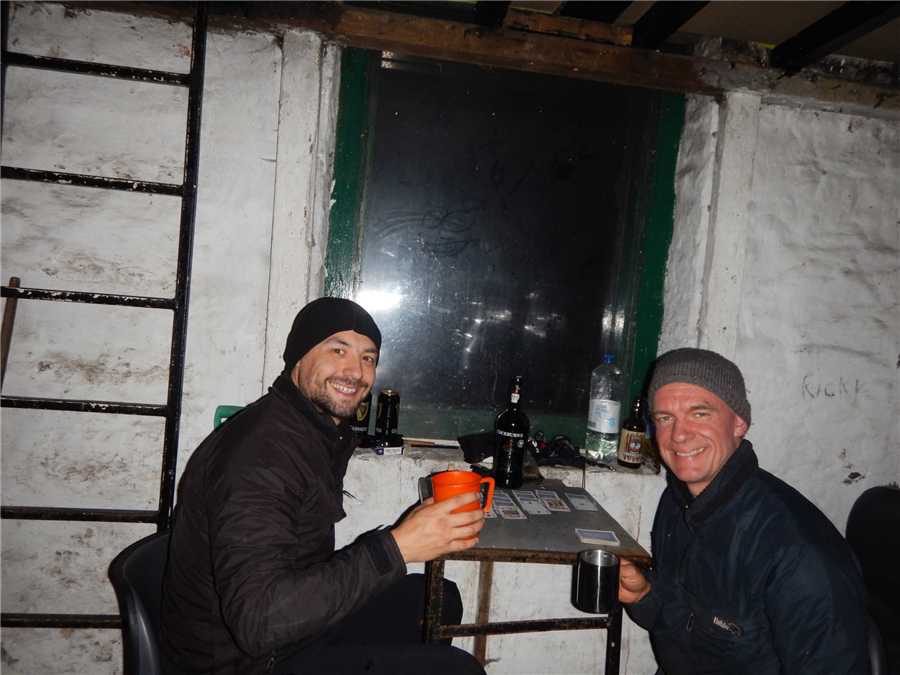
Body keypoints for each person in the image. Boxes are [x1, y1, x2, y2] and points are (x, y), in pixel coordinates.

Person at [160, 298, 486, 675]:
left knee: (436, 599)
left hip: (297, 633)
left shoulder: (313, 430)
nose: (355, 372)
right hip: (247, 662)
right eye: (337, 350)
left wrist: (406, 537)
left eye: (368, 358)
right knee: (458, 671)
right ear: (298, 358)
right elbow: (258, 621)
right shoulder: (260, 455)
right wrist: (397, 547)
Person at [618, 348, 870, 675]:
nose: (678, 435)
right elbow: (688, 621)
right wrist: (644, 595)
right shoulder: (677, 500)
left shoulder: (799, 554)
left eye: (700, 413)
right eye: (665, 417)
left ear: (739, 422)